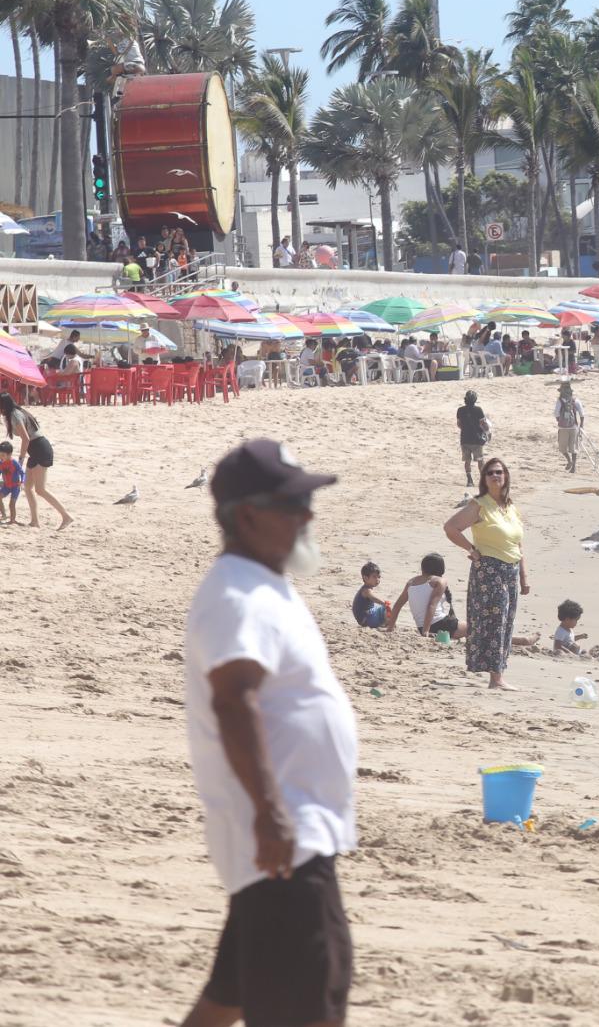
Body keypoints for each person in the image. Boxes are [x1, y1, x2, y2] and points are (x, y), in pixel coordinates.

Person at [178, 439, 356, 1027]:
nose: (308, 515)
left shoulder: (263, 586)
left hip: (283, 841)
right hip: (285, 843)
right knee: (309, 1004)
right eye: (293, 503)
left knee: (224, 1003)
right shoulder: (237, 595)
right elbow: (234, 701)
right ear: (249, 515)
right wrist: (270, 813)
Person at [443, 458, 529, 690]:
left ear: (506, 476)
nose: (495, 476)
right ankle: (496, 678)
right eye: (490, 473)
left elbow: (518, 544)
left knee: (506, 621)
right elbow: (451, 528)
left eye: (499, 472)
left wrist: (524, 576)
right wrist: (471, 549)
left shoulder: (510, 506)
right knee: (495, 622)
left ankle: (498, 674)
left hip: (510, 570)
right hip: (489, 571)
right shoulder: (479, 504)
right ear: (484, 479)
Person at [0, 394, 70, 529]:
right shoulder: (15, 413)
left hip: (40, 448)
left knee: (40, 489)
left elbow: (26, 438)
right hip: (34, 449)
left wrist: (20, 459)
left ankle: (66, 516)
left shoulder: (15, 415)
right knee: (27, 487)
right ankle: (35, 521)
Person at [388, 552, 466, 641]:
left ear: (422, 567)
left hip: (421, 627)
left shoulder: (411, 582)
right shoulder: (439, 581)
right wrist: (426, 631)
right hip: (439, 624)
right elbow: (431, 605)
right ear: (441, 569)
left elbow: (397, 606)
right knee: (472, 627)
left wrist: (390, 627)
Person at [456, 390, 488, 486]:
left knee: (467, 461)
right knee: (480, 460)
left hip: (464, 439)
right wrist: (487, 432)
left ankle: (469, 480)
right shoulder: (478, 410)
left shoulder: (460, 410)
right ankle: (483, 481)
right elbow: (483, 424)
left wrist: (466, 429)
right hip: (476, 439)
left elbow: (459, 424)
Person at [555, 381, 585, 474]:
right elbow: (582, 414)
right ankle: (574, 467)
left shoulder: (559, 401)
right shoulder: (575, 400)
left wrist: (560, 421)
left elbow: (556, 413)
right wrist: (581, 425)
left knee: (562, 447)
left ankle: (569, 461)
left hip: (563, 428)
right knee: (573, 447)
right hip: (573, 427)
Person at [352, 562, 387, 628]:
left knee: (382, 609)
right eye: (374, 577)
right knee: (387, 608)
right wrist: (384, 603)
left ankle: (386, 623)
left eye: (379, 577)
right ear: (365, 578)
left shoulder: (367, 588)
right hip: (366, 619)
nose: (377, 580)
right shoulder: (366, 590)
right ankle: (388, 625)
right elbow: (373, 598)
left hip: (365, 617)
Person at [0, 441, 23, 524]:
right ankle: (4, 515)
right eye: (0, 455)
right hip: (6, 486)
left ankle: (12, 520)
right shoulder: (1, 463)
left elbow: (22, 472)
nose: (1, 457)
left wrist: (22, 481)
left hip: (15, 486)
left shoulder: (14, 463)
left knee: (11, 504)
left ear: (9, 455)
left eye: (3, 455)